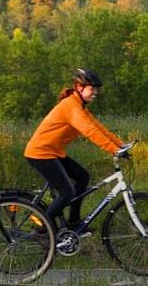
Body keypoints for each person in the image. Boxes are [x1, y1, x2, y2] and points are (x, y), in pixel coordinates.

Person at [24, 68, 130, 254]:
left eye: (97, 89)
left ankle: (74, 222)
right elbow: (89, 131)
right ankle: (41, 227)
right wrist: (113, 149)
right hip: (40, 153)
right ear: (79, 87)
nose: (96, 92)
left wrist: (120, 145)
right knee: (66, 192)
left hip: (53, 152)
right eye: (92, 88)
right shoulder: (71, 106)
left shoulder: (78, 105)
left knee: (82, 176)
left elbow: (98, 127)